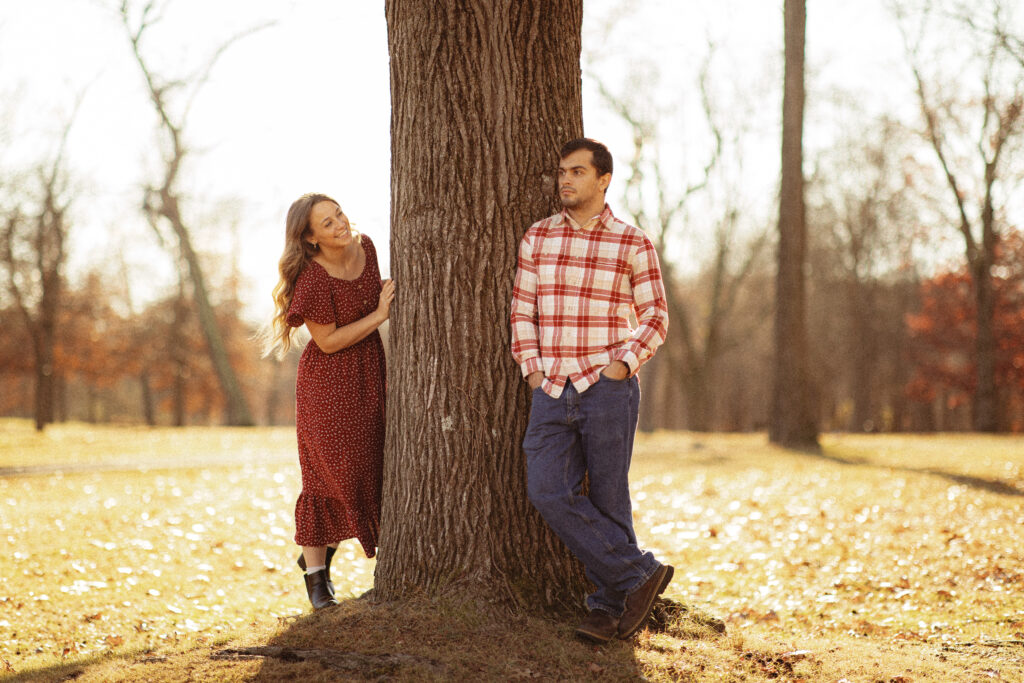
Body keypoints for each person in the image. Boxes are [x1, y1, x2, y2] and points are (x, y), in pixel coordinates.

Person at [510, 138, 672, 643]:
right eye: (562, 172)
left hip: (608, 387)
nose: (566, 180)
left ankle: (607, 610)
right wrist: (533, 371)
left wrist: (623, 365)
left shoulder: (632, 242)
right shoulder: (537, 237)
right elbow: (522, 311)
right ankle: (639, 574)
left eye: (577, 172)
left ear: (603, 180)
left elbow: (656, 316)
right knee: (547, 490)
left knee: (607, 497)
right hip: (552, 387)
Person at [265, 193, 394, 610]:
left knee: (370, 468)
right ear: (310, 239)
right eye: (327, 223)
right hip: (328, 384)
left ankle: (322, 555)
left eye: (338, 213)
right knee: (329, 478)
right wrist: (378, 315)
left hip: (370, 374)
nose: (340, 223)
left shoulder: (367, 247)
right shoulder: (314, 279)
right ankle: (317, 579)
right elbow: (328, 340)